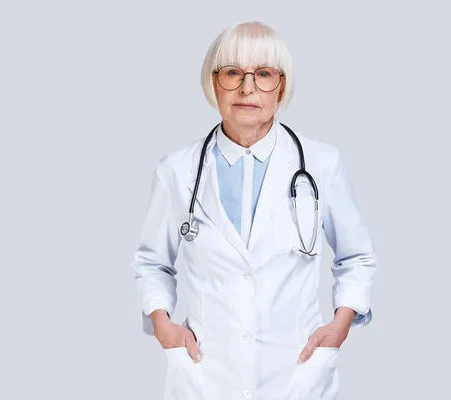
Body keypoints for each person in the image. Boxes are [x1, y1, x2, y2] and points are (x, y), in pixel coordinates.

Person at [130, 21, 378, 400]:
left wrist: (340, 323)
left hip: (296, 374)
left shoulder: (321, 164)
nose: (247, 88)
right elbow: (152, 263)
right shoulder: (176, 170)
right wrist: (163, 324)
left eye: (263, 74)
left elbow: (357, 256)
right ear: (213, 83)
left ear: (281, 85)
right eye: (233, 73)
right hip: (206, 375)